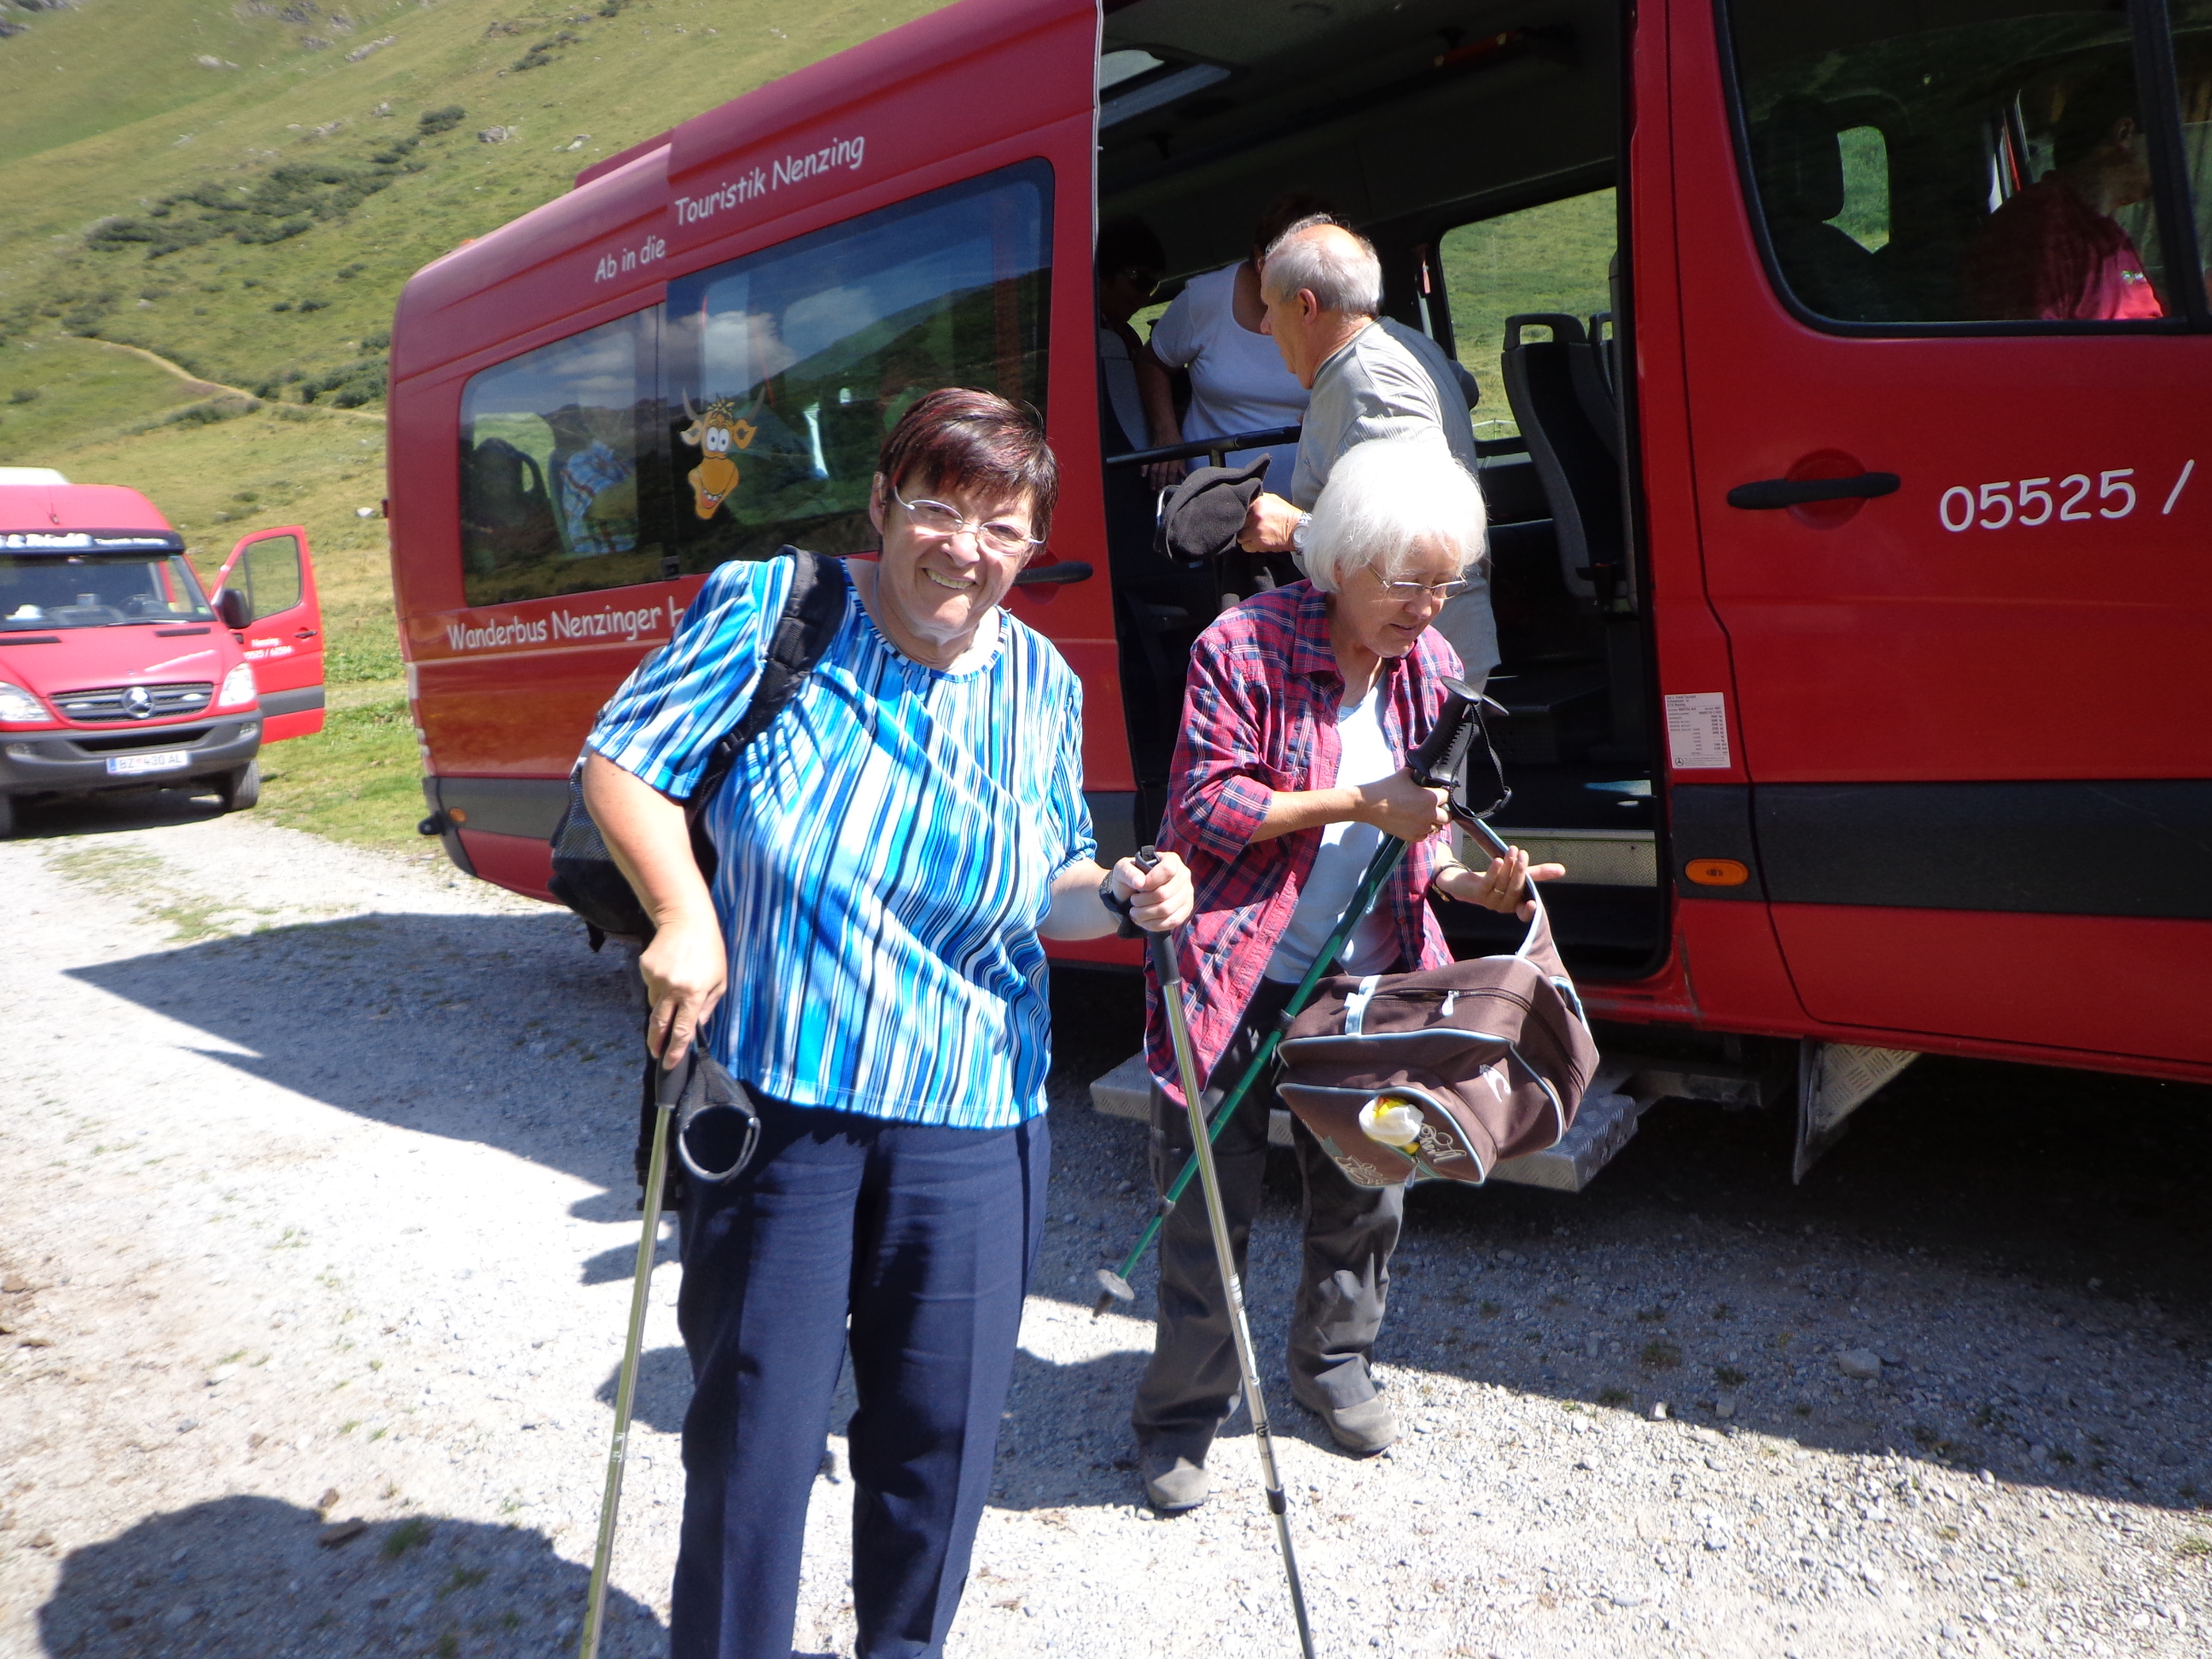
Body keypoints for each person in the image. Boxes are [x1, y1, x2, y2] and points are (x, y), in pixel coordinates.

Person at [581, 387, 1196, 1659]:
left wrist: (1123, 894)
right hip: (782, 1106)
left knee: (939, 1441)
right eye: (938, 510)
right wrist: (683, 913)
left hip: (974, 1115)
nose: (966, 550)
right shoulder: (777, 608)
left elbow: (1048, 880)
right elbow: (623, 760)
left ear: (1032, 547)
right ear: (881, 504)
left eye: (1003, 529)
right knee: (756, 1440)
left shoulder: (1040, 680)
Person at [1129, 437, 1563, 1514]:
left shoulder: (1433, 669)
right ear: (1343, 561)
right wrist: (1365, 800)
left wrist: (1475, 885)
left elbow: (1423, 839)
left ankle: (1332, 1365)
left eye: (1445, 583)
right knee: (1207, 1206)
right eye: (1409, 583)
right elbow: (1205, 808)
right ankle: (1183, 1413)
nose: (1429, 607)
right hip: (1233, 967)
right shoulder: (1242, 645)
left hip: (1366, 978)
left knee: (1369, 1187)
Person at [1235, 216, 1499, 688]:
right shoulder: (1398, 346)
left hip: (1420, 668)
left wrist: (1296, 531)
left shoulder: (1369, 388)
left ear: (1305, 306)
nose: (1265, 324)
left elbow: (1417, 540)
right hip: (1414, 654)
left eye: (1270, 306)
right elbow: (1465, 387)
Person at [1142, 192, 1330, 487]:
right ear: (1259, 258)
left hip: (1311, 497)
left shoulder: (1335, 308)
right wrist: (1166, 434)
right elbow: (1152, 362)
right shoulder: (1204, 297)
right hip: (1215, 496)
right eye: (1283, 267)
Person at [1965, 64, 2165, 321]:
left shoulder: (2107, 232)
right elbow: (2033, 342)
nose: (2175, 154)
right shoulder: (2038, 230)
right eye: (2167, 137)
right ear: (2124, 133)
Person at [1095, 216, 1184, 492]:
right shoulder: (1088, 338)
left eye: (1153, 287)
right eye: (1139, 281)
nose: (1145, 297)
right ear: (1105, 271)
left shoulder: (1126, 334)